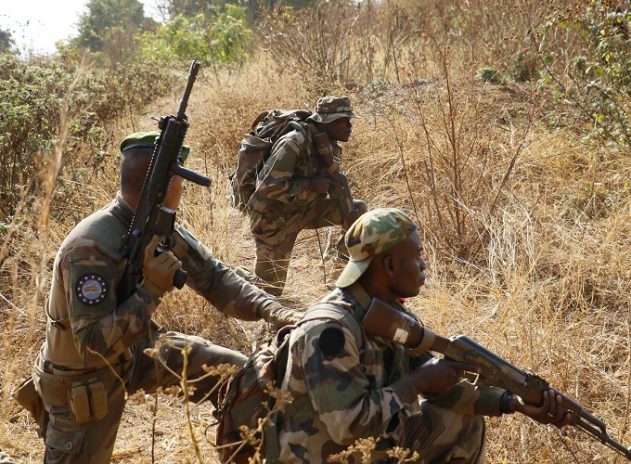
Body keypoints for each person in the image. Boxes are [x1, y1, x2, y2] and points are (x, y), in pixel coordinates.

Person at [28, 131, 301, 463]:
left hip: (135, 352)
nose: (182, 188)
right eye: (179, 177)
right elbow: (94, 343)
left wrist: (277, 311)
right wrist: (151, 290)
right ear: (167, 184)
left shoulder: (158, 227)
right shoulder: (90, 247)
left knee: (238, 377)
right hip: (85, 378)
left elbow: (215, 279)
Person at [277, 208, 576, 463]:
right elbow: (346, 425)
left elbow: (441, 387)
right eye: (417, 255)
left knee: (462, 422)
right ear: (390, 265)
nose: (423, 265)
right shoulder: (331, 330)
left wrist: (514, 402)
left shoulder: (389, 315)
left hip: (361, 447)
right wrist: (417, 382)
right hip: (317, 454)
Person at [247, 95, 367, 296]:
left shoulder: (329, 146)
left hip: (304, 209)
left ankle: (341, 283)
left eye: (349, 121)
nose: (349, 126)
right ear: (325, 121)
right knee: (269, 290)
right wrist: (311, 185)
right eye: (342, 121)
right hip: (274, 218)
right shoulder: (294, 142)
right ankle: (232, 277)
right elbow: (266, 187)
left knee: (357, 211)